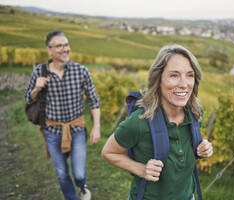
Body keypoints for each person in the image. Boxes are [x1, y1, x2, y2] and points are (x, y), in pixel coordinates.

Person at [101, 44, 213, 200]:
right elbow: (108, 152)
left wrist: (201, 149)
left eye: (190, 75)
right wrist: (141, 169)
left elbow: (183, 150)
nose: (184, 84)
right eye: (174, 75)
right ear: (158, 79)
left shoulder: (195, 113)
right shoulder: (139, 121)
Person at [24, 30, 101, 200]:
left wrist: (96, 127)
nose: (65, 49)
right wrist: (37, 88)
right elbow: (28, 99)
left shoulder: (81, 71)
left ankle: (82, 186)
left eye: (66, 45)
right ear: (49, 50)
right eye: (59, 45)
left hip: (77, 129)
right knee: (61, 174)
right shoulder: (39, 72)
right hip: (52, 132)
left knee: (79, 174)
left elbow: (94, 100)